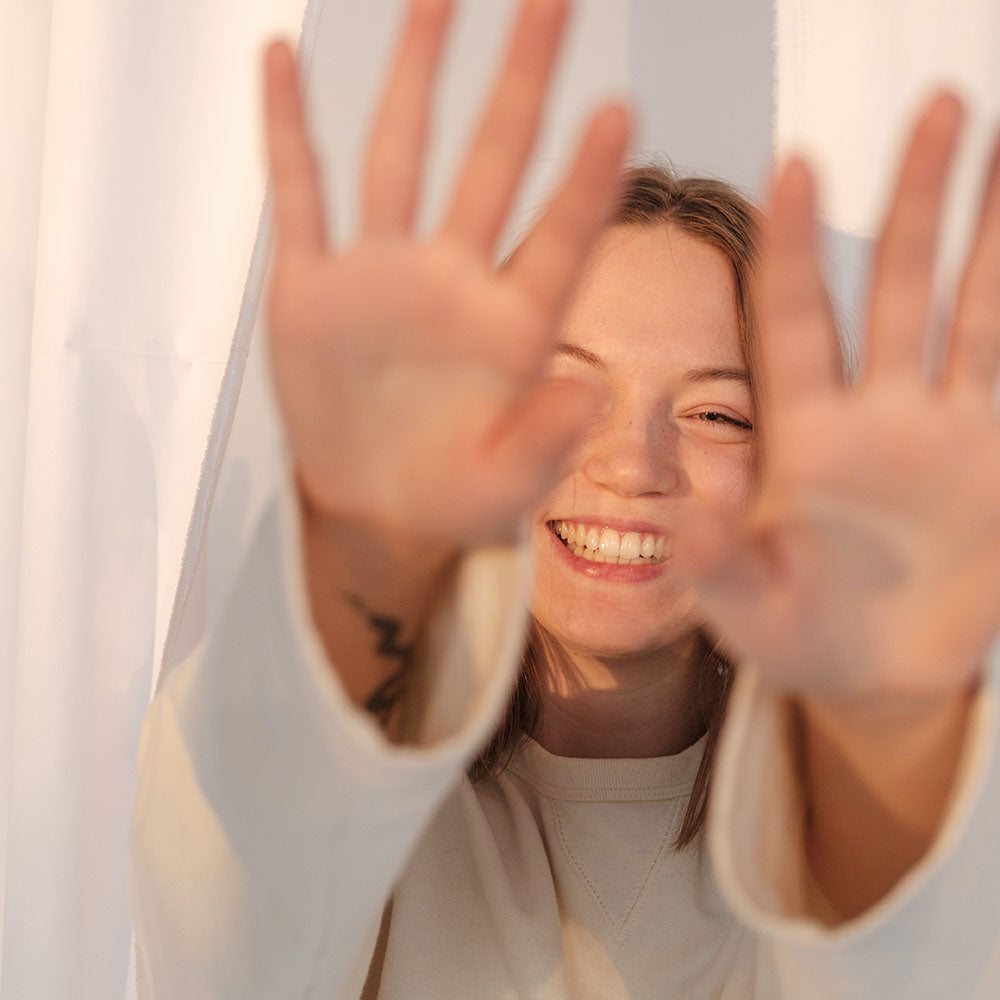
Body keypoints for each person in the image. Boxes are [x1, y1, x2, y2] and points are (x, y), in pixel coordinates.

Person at [129, 0, 1000, 996]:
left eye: (718, 415)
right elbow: (235, 863)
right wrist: (364, 559)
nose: (633, 463)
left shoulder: (825, 841)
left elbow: (903, 949)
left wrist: (885, 729)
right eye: (566, 392)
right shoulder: (348, 801)